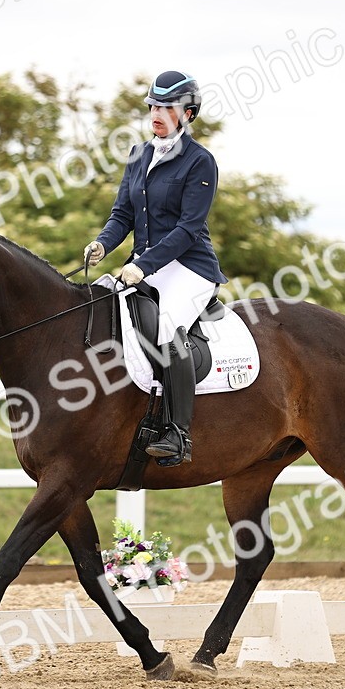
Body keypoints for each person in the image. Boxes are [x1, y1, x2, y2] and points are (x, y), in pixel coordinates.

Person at [84, 70, 227, 467]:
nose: (157, 114)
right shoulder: (139, 155)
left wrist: (142, 267)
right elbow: (122, 214)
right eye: (154, 106)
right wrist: (103, 243)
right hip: (146, 265)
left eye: (168, 107)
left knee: (165, 329)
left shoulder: (201, 162)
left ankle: (178, 434)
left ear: (188, 113)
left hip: (189, 266)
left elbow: (188, 229)